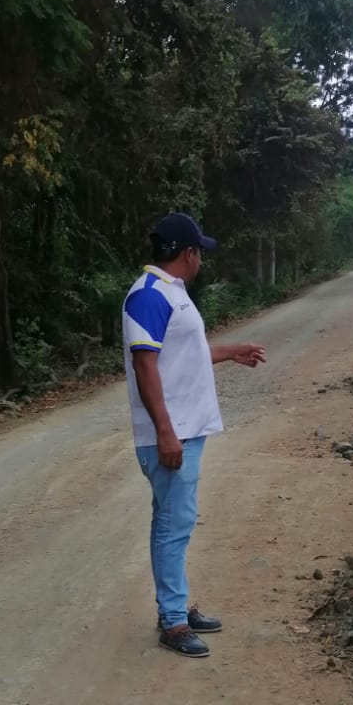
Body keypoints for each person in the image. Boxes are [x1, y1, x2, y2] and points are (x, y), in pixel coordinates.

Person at [122, 212, 266, 658]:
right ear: (188, 253)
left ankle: (175, 607)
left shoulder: (172, 292)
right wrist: (166, 432)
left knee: (170, 522)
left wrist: (230, 352)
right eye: (199, 251)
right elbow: (145, 365)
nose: (201, 258)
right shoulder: (148, 295)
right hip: (172, 435)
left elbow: (184, 353)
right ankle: (173, 622)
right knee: (173, 525)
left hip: (183, 431)